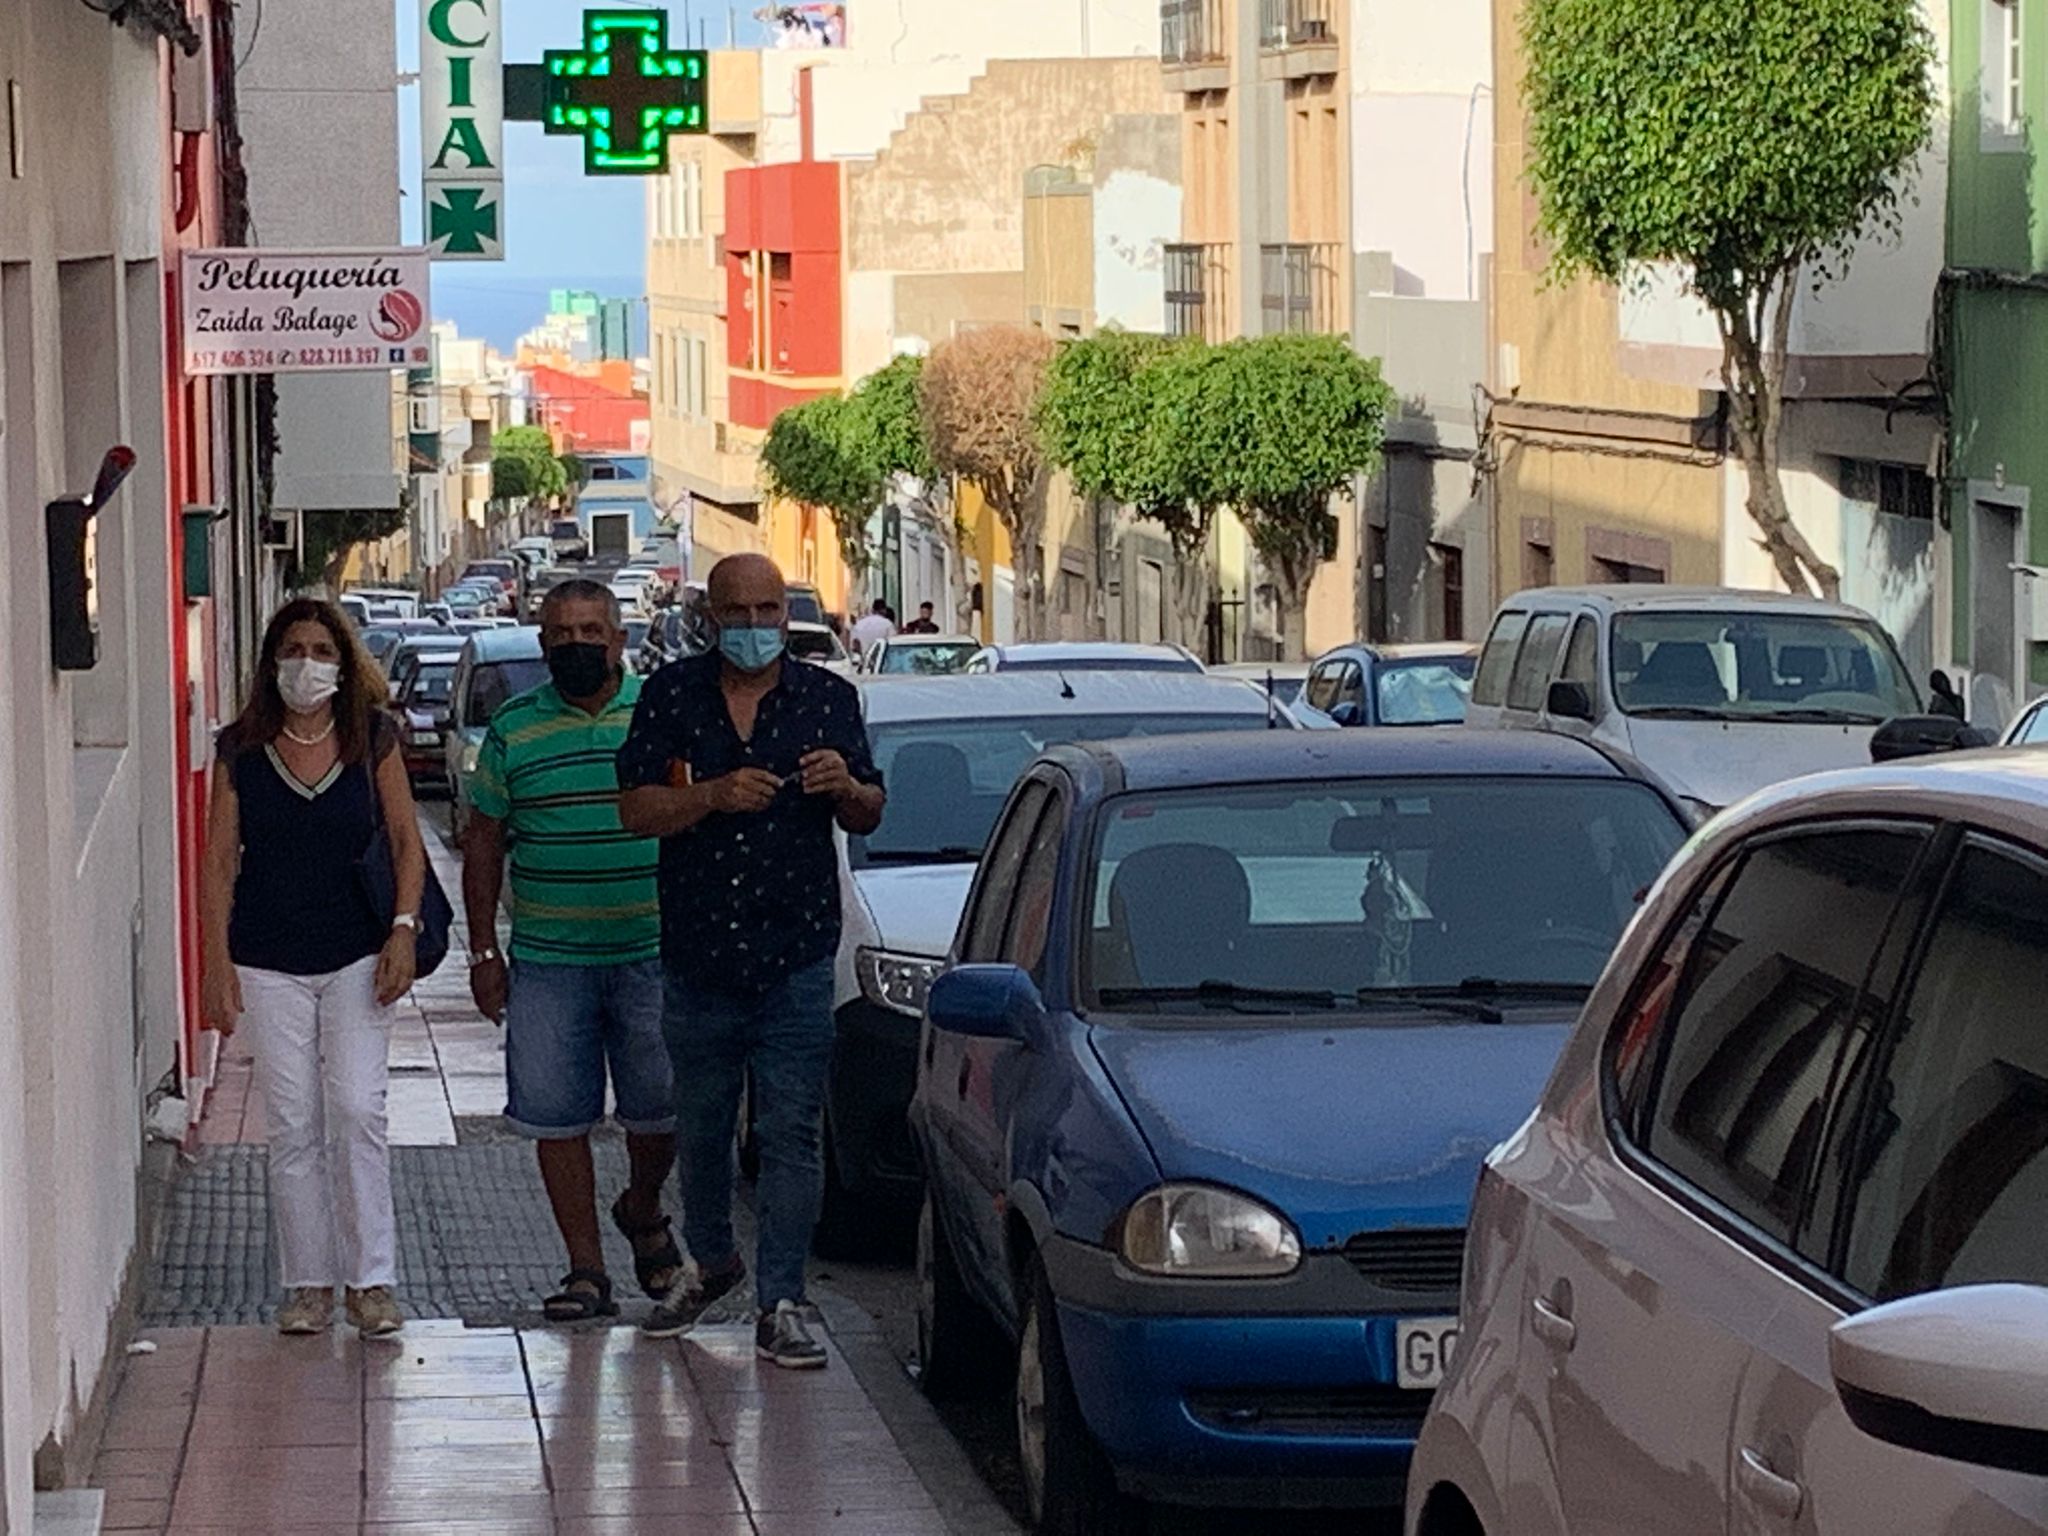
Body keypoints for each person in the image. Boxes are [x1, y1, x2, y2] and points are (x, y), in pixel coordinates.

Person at [618, 553, 885, 1368]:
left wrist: (844, 786)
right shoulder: (670, 697)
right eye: (737, 613)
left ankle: (782, 1299)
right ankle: (710, 1262)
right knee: (701, 1129)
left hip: (795, 954)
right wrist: (709, 795)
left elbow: (871, 811)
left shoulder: (828, 698)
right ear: (709, 617)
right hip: (699, 955)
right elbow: (635, 809)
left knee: (791, 1131)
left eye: (768, 611)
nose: (755, 627)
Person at [200, 598, 423, 1340]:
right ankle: (307, 1283)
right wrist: (215, 964)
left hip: (359, 953)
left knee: (359, 1109)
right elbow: (219, 863)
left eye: (322, 650)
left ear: (343, 660)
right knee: (292, 1123)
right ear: (271, 661)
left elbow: (403, 841)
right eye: (293, 649)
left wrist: (402, 932)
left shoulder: (372, 738)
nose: (307, 663)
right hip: (267, 959)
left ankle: (374, 1282)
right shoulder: (240, 749)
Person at [462, 580, 682, 1323]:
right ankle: (585, 1269)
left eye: (591, 630)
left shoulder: (661, 712)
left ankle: (644, 1209)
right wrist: (485, 952)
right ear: (541, 643)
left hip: (655, 951)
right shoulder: (514, 729)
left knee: (662, 1109)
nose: (575, 644)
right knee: (556, 1117)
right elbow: (484, 839)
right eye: (559, 633)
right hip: (550, 960)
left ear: (619, 639)